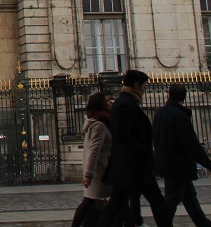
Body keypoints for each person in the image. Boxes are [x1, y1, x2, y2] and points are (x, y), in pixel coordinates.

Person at [98, 70, 171, 227]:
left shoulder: (126, 102)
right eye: (144, 85)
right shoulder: (125, 104)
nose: (145, 89)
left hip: (131, 165)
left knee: (118, 204)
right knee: (155, 202)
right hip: (133, 165)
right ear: (137, 85)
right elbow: (122, 133)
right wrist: (138, 150)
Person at [153, 84, 211, 227]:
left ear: (168, 95)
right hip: (178, 164)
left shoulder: (159, 113)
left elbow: (155, 137)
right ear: (185, 97)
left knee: (189, 197)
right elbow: (190, 142)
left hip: (166, 161)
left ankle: (204, 225)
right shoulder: (179, 115)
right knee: (172, 199)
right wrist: (207, 162)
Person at [70, 92, 113, 227]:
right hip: (100, 171)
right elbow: (93, 151)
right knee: (89, 202)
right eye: (107, 100)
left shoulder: (99, 121)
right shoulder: (99, 124)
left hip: (102, 170)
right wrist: (88, 174)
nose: (111, 102)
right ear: (100, 105)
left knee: (91, 202)